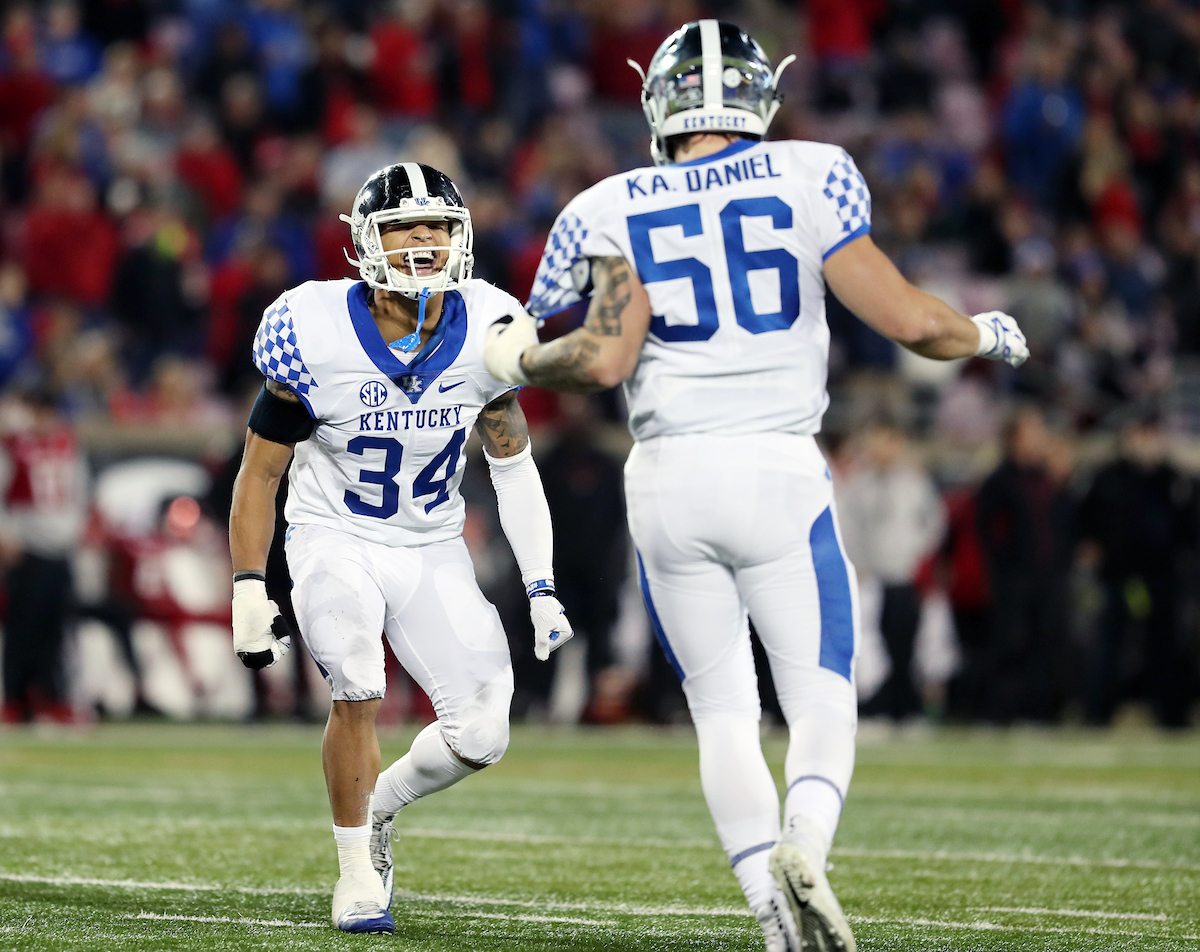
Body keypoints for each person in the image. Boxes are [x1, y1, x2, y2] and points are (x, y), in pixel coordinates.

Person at [483, 21, 1028, 952]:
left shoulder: (609, 203)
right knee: (820, 698)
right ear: (757, 97)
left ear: (657, 103)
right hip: (778, 468)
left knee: (723, 709)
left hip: (668, 478)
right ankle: (806, 845)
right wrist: (983, 333)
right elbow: (909, 321)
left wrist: (522, 358)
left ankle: (771, 916)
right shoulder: (811, 173)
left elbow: (604, 357)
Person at [227, 162, 573, 934]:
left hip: (430, 542)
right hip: (332, 534)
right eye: (402, 226)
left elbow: (512, 466)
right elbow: (261, 470)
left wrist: (541, 584)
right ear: (364, 242)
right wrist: (252, 584)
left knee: (483, 733)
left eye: (438, 226)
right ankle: (355, 875)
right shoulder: (311, 330)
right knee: (355, 680)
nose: (424, 241)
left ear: (463, 237)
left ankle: (379, 808)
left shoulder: (489, 324)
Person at [838, 421, 945, 722]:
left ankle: (906, 706)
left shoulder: (914, 483)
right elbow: (847, 525)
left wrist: (919, 557)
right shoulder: (859, 483)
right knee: (872, 646)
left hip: (904, 575)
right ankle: (876, 705)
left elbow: (934, 522)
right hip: (871, 577)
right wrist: (856, 561)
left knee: (905, 643)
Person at [0, 389, 89, 724]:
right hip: (26, 548)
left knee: (55, 627)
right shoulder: (13, 447)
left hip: (59, 548)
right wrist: (5, 534)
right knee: (22, 627)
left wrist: (74, 532)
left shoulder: (68, 446)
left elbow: (80, 493)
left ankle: (54, 696)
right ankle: (15, 698)